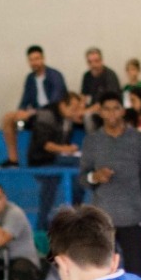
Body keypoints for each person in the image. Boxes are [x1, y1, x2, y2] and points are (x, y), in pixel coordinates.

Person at [79, 92, 141, 276]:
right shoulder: (92, 141)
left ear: (123, 111)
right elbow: (83, 178)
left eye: (116, 108)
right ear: (101, 112)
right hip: (103, 221)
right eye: (107, 109)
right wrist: (95, 177)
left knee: (135, 276)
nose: (112, 113)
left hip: (134, 219)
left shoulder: (139, 139)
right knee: (102, 275)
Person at [30, 93, 87, 227]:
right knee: (51, 183)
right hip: (42, 160)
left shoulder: (67, 119)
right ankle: (42, 223)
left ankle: (75, 212)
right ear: (63, 105)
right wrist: (66, 149)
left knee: (82, 168)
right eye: (73, 108)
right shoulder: (47, 115)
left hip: (58, 159)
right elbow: (45, 144)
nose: (76, 112)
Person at [80, 47, 121, 112]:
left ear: (102, 61)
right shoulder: (87, 76)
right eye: (90, 62)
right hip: (90, 108)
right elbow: (83, 96)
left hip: (107, 110)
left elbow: (108, 102)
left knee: (88, 116)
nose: (93, 65)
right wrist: (80, 109)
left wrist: (85, 111)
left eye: (96, 61)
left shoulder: (110, 75)